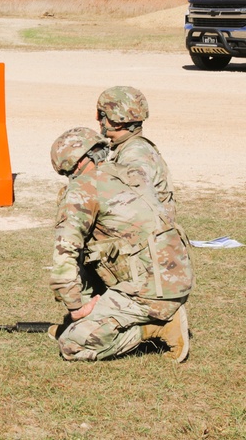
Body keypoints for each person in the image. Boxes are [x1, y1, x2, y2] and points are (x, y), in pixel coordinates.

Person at [48, 127, 194, 362]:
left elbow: (64, 253)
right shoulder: (133, 174)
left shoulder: (82, 189)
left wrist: (76, 309)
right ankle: (150, 313)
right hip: (178, 279)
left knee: (71, 344)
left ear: (71, 165)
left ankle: (157, 327)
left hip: (147, 292)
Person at [96, 86, 175, 214]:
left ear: (118, 121)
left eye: (101, 115)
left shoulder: (134, 155)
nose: (97, 119)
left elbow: (136, 209)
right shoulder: (133, 147)